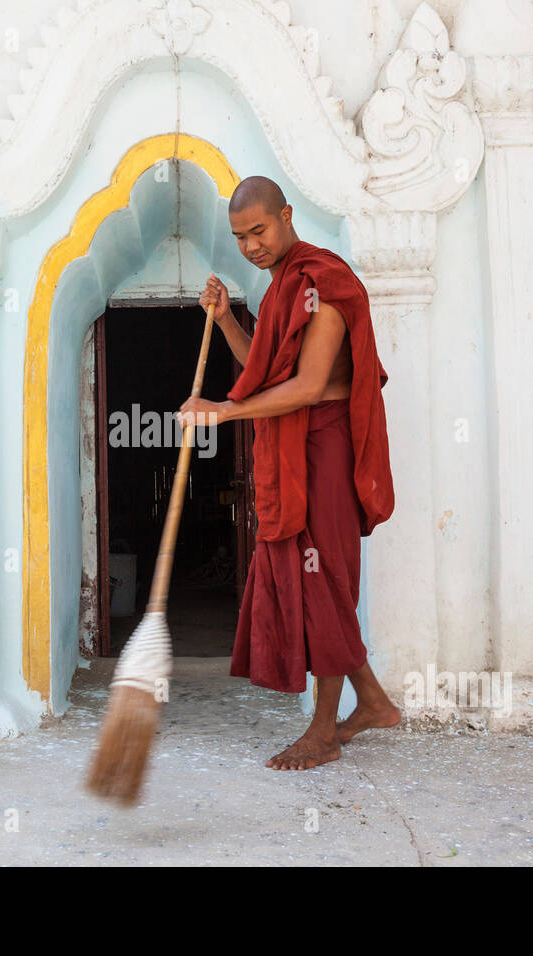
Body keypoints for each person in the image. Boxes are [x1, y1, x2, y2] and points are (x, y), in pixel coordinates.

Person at [177, 175, 401, 770]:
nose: (250, 245)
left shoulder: (322, 283)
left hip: (325, 457)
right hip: (297, 455)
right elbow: (268, 369)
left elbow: (304, 388)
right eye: (239, 237)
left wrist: (225, 411)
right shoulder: (278, 290)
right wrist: (226, 319)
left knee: (325, 583)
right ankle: (373, 702)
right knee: (314, 583)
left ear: (286, 214)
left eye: (259, 230)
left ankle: (324, 732)